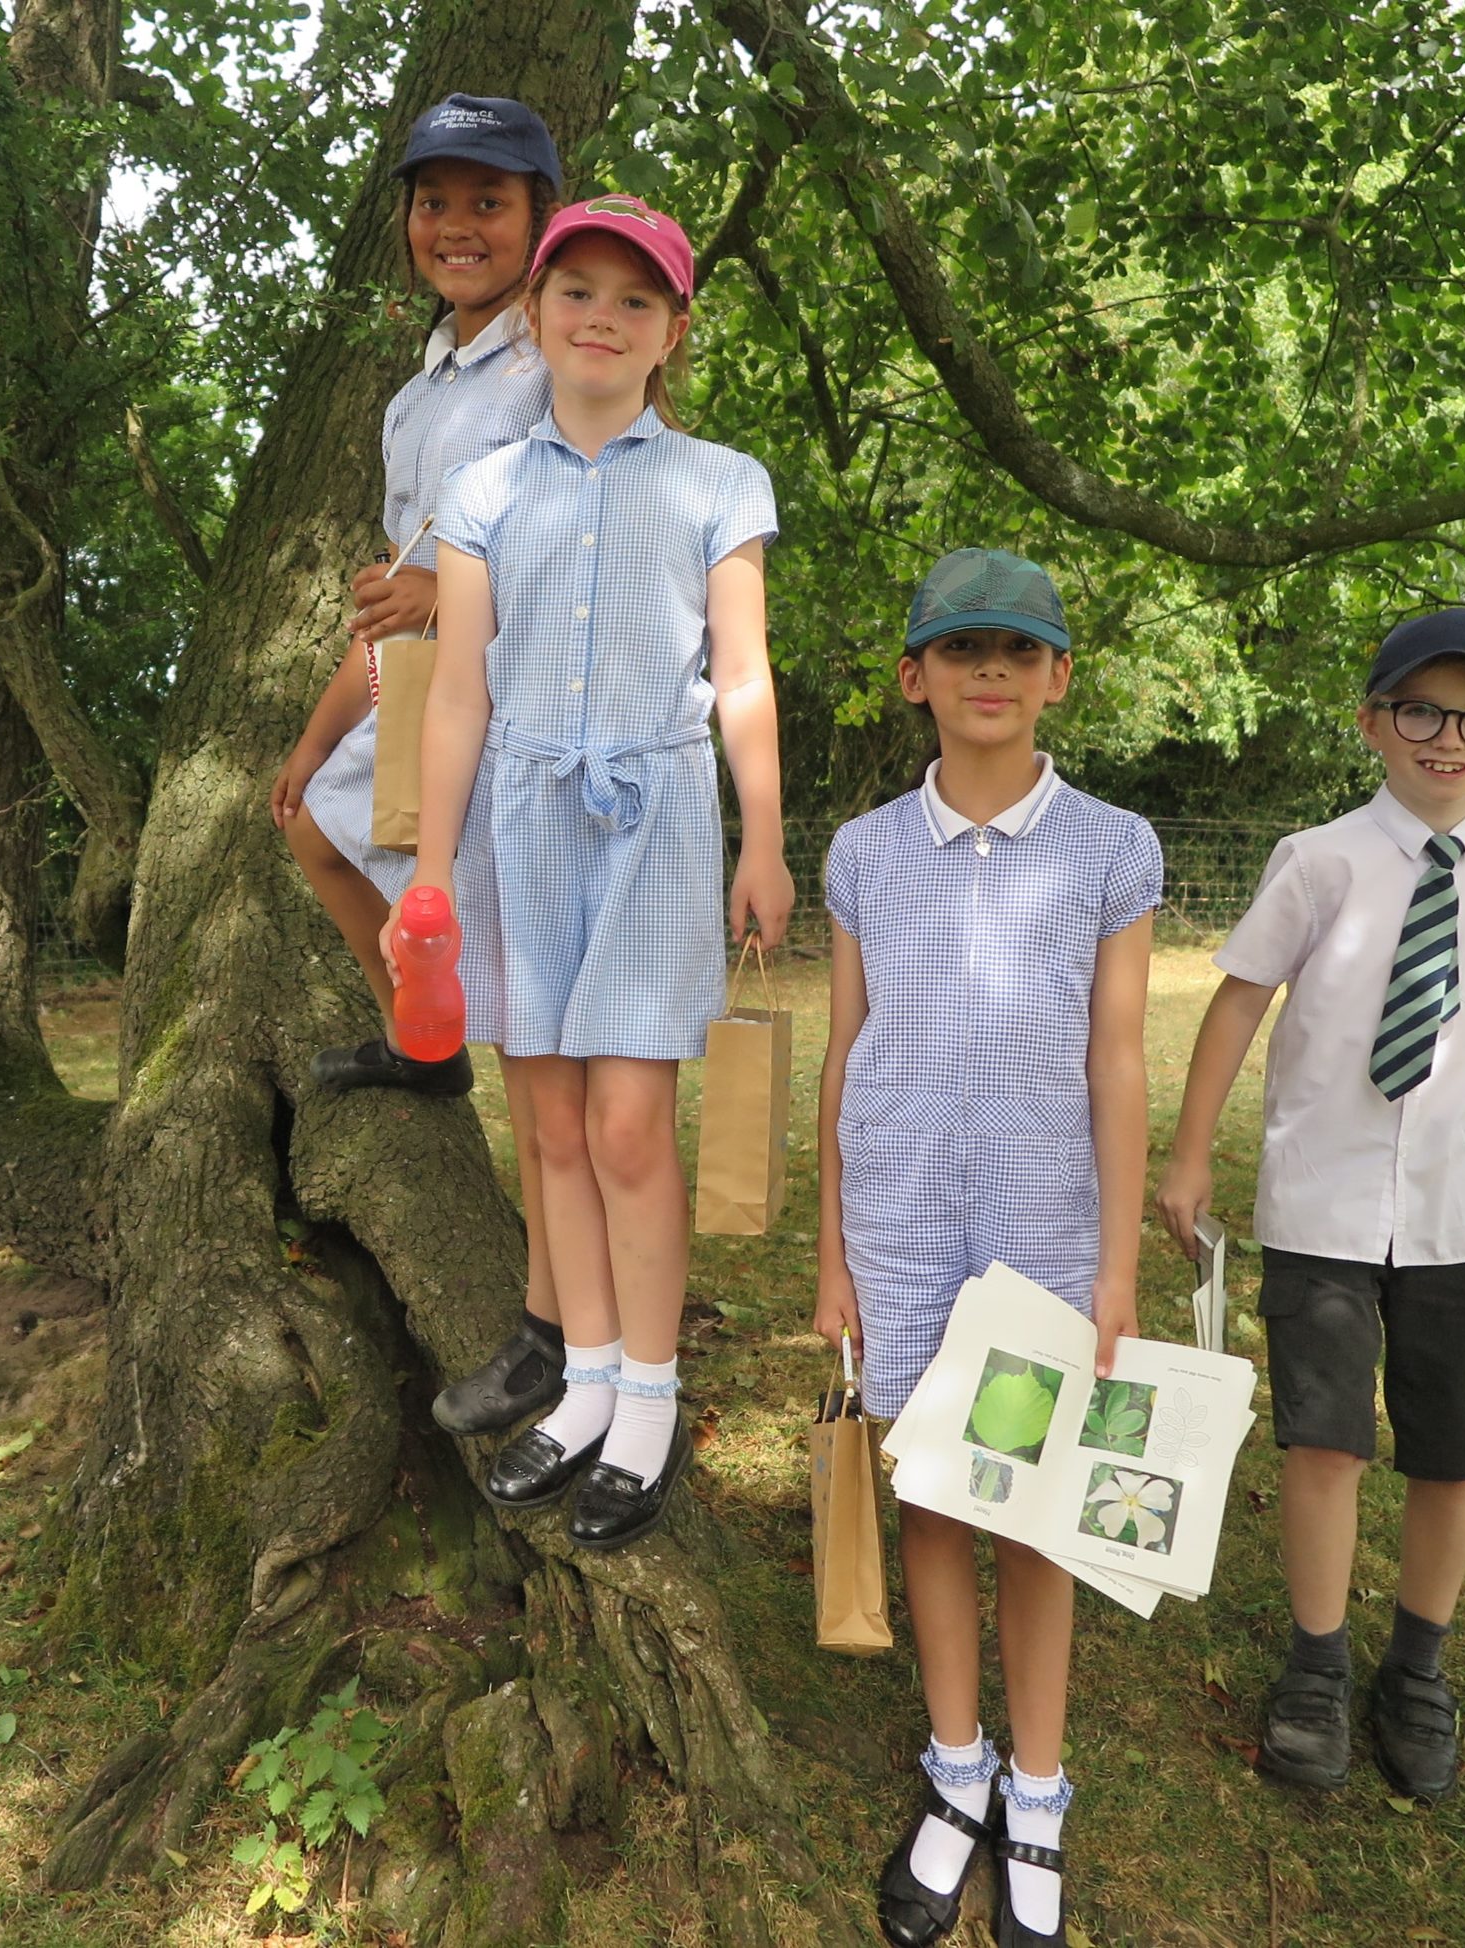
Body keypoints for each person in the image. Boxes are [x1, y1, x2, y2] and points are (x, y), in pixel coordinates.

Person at [393, 192, 792, 1551]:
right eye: (578, 294)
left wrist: (767, 837)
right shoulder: (484, 489)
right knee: (552, 1126)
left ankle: (652, 1399)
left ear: (672, 330)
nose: (602, 319)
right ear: (538, 313)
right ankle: (585, 1380)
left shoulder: (719, 482)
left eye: (635, 299)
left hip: (658, 817)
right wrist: (432, 873)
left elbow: (740, 677)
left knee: (629, 1125)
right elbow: (455, 697)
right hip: (520, 822)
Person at [1155, 606, 1465, 1807]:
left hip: (1460, 1216)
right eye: (1419, 709)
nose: (1446, 737)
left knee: (1453, 1450)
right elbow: (1240, 1001)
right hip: (1319, 1206)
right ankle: (1315, 1667)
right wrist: (1190, 1151)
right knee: (1324, 1437)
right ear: (1372, 722)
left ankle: (1417, 1667)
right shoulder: (1317, 860)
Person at [814, 550, 1161, 1948]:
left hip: (1040, 1230)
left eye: (1021, 650)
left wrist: (1117, 1264)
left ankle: (1035, 1790)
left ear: (1060, 676)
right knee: (936, 1497)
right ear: (917, 679)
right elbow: (844, 1052)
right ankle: (953, 1772)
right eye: (963, 651)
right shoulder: (860, 854)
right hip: (897, 1222)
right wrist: (832, 1251)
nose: (993, 673)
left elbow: (1123, 1061)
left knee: (1029, 1500)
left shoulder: (1112, 849)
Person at [270, 93, 575, 1439]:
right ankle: (421, 1040)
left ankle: (555, 1327)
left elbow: (562, 562)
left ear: (538, 221)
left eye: (488, 202)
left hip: (522, 735)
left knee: (543, 1055)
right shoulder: (412, 403)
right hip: (421, 715)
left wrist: (446, 598)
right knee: (308, 827)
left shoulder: (557, 367)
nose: (455, 225)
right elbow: (395, 597)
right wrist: (319, 734)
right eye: (433, 201)